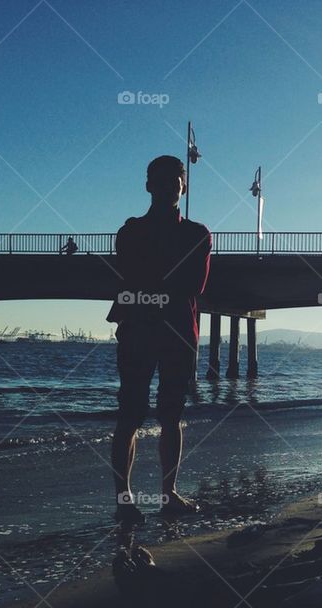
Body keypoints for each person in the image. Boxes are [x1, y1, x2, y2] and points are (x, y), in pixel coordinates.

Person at [107, 155, 211, 522]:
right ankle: (139, 498)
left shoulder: (135, 232)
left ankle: (156, 496)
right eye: (162, 180)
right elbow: (188, 286)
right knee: (139, 415)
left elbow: (187, 284)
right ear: (149, 184)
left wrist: (149, 286)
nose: (168, 186)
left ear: (182, 186)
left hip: (157, 329)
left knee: (159, 414)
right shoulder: (189, 234)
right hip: (166, 329)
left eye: (174, 180)